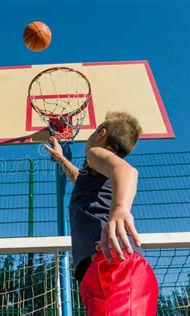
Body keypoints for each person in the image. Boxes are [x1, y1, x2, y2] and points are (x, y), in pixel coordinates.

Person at [44, 112, 159, 315]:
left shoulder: (94, 152)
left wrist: (120, 209)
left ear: (101, 133)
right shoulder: (94, 174)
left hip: (113, 265)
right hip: (106, 270)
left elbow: (127, 172)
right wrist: (62, 159)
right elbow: (79, 179)